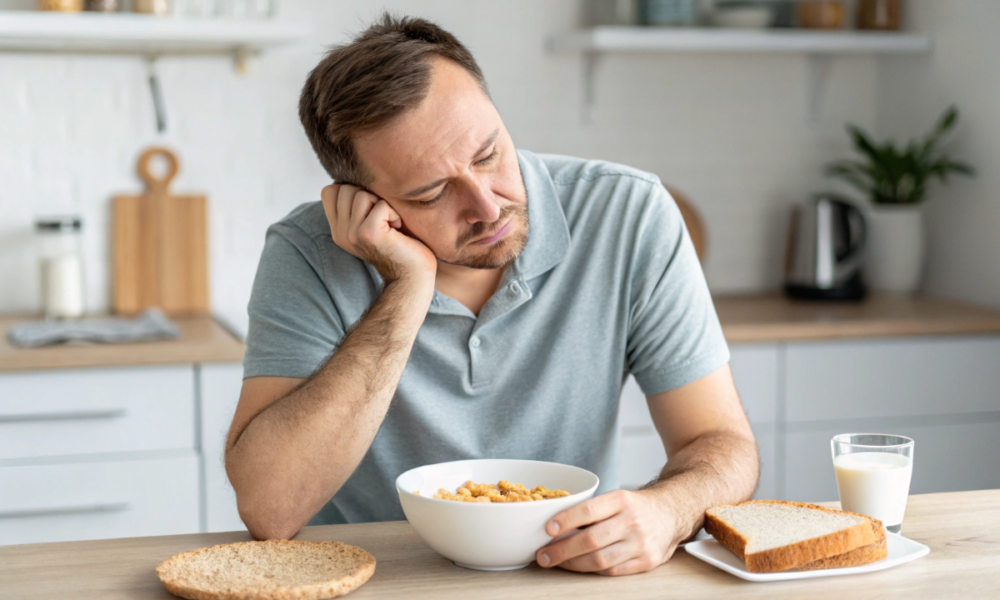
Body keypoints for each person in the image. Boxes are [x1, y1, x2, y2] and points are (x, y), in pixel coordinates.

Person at [225, 13, 759, 577]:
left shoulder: (629, 213)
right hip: (380, 579)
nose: (487, 207)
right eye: (432, 193)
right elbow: (271, 509)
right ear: (365, 201)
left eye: (488, 155)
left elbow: (721, 443)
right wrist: (406, 288)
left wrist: (668, 511)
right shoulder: (307, 252)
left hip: (569, 573)